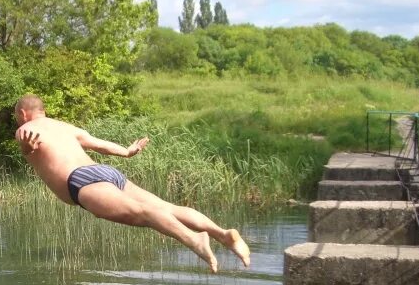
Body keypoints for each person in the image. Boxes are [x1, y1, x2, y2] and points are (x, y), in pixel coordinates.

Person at [13, 94, 250, 273]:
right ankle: (222, 234)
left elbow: (28, 147)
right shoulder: (65, 127)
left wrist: (26, 147)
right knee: (166, 207)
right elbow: (100, 145)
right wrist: (127, 152)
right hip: (104, 171)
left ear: (23, 113)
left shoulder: (25, 128)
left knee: (143, 214)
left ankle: (194, 239)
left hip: (79, 180)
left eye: (17, 117)